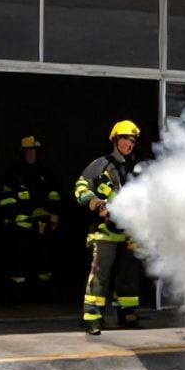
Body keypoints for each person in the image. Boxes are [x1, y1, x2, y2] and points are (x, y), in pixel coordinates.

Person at [75, 120, 144, 334]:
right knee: (100, 275)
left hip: (129, 232)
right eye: (125, 139)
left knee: (129, 275)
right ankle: (93, 318)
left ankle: (128, 314)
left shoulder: (137, 168)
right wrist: (94, 202)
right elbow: (80, 187)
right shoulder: (100, 165)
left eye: (132, 141)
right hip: (104, 232)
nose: (128, 144)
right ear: (115, 140)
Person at [0, 135, 62, 300]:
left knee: (45, 259)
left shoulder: (46, 172)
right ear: (22, 153)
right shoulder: (13, 173)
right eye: (28, 151)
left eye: (33, 151)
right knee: (19, 259)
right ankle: (17, 293)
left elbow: (55, 195)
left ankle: (44, 292)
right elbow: (6, 198)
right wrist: (15, 215)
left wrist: (51, 213)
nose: (31, 154)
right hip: (20, 225)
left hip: (43, 224)